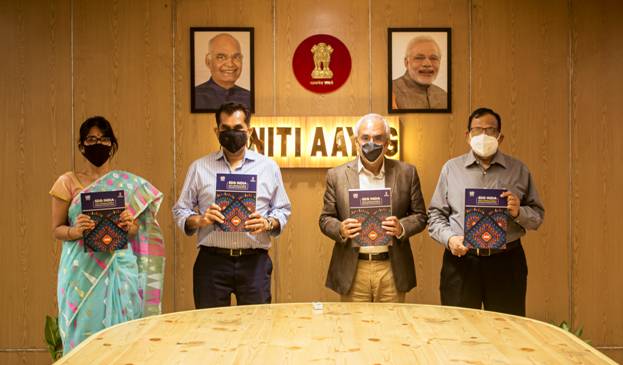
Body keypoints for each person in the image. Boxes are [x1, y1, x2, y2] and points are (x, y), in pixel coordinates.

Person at [49, 116, 165, 354]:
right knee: (83, 338)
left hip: (121, 268)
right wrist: (75, 230)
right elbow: (56, 229)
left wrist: (129, 225)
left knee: (125, 337)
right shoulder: (67, 182)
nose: (98, 144)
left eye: (103, 139)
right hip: (82, 271)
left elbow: (136, 231)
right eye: (91, 139)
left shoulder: (127, 184)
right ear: (82, 146)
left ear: (112, 145)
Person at [428, 107, 544, 316]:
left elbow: (537, 217)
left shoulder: (518, 170)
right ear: (467, 136)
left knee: (508, 331)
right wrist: (450, 239)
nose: (483, 136)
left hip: (506, 261)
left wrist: (519, 212)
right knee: (459, 329)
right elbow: (435, 216)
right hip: (462, 262)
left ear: (500, 136)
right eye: (477, 130)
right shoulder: (451, 169)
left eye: (490, 130)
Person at [173, 102, 291, 308]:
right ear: (216, 131)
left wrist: (268, 223)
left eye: (238, 129)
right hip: (212, 263)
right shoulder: (199, 168)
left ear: (249, 131)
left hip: (254, 262)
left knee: (256, 330)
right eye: (225, 129)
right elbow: (180, 210)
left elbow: (283, 209)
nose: (231, 134)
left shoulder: (268, 167)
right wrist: (200, 220)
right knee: (210, 330)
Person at [319, 113, 427, 302]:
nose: (371, 143)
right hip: (353, 269)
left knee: (392, 328)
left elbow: (420, 216)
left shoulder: (407, 173)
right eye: (365, 138)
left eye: (378, 138)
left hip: (392, 268)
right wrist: (341, 229)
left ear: (386, 144)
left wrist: (401, 227)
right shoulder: (336, 176)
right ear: (356, 142)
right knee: (354, 329)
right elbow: (325, 219)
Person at [194, 33, 251, 110]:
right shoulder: (195, 96)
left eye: (236, 57)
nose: (230, 64)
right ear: (208, 62)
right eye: (221, 57)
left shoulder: (249, 97)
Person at [392, 36, 447, 110]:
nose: (427, 64)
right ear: (406, 63)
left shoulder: (444, 96)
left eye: (433, 58)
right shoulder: (391, 91)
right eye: (419, 58)